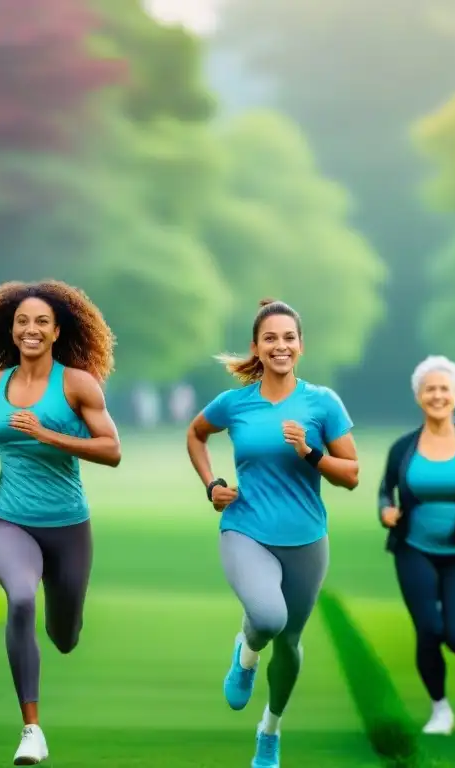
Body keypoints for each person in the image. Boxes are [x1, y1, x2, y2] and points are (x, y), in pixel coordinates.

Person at [186, 298, 358, 768]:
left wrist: (309, 452)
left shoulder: (322, 403)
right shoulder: (235, 402)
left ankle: (270, 730)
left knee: (290, 643)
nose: (280, 346)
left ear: (300, 346)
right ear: (256, 348)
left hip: (306, 539)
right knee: (266, 618)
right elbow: (196, 434)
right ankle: (245, 653)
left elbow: (351, 474)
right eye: (270, 338)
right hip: (246, 528)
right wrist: (213, 484)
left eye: (288, 338)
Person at [0, 280, 121, 766]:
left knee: (65, 635)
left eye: (41, 323)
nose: (31, 330)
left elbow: (111, 450)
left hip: (69, 526)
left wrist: (50, 435)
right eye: (23, 322)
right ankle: (32, 728)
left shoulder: (77, 384)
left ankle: (66, 625)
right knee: (21, 599)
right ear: (11, 330)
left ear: (56, 333)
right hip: (10, 520)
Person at [377, 355, 455, 735]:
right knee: (428, 629)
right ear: (419, 396)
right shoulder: (403, 446)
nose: (437, 395)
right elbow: (386, 490)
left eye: (444, 389)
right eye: (429, 389)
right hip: (413, 549)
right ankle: (440, 709)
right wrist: (385, 510)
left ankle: (447, 615)